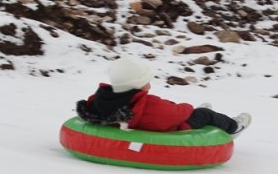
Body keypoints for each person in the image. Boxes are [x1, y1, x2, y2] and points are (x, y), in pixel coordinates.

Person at [77, 58, 251, 137]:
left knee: (194, 111)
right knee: (204, 114)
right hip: (175, 127)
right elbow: (174, 115)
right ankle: (234, 126)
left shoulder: (100, 99)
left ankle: (202, 111)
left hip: (135, 124)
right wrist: (188, 108)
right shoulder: (148, 106)